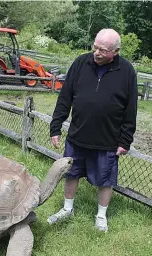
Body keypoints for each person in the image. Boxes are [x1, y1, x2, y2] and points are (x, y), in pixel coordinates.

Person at [48, 28, 138, 232]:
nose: (97, 52)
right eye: (95, 47)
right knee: (71, 173)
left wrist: (125, 140)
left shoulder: (126, 71)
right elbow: (65, 97)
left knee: (105, 179)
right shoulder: (81, 63)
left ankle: (101, 216)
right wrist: (56, 126)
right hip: (77, 134)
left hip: (107, 139)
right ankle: (67, 209)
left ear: (116, 51)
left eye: (103, 50)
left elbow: (131, 108)